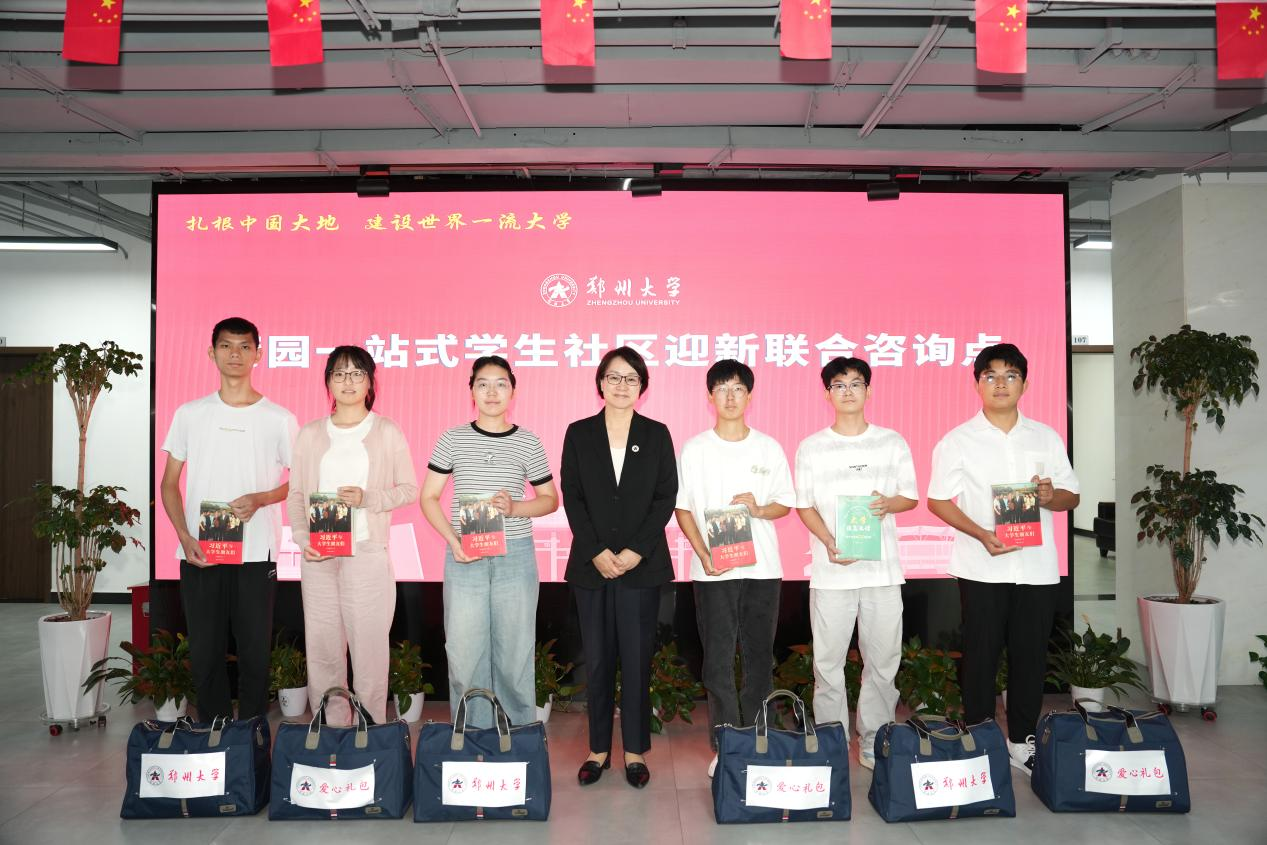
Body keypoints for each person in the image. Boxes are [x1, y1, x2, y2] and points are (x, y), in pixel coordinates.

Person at [926, 343, 1079, 776]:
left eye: (1010, 376)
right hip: (982, 566)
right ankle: (979, 738)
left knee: (1030, 658)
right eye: (990, 376)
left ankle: (1022, 740)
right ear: (977, 384)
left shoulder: (1046, 437)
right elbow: (938, 500)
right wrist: (981, 533)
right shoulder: (958, 440)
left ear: (1025, 385)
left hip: (1036, 567)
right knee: (981, 657)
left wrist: (1050, 496)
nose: (1000, 384)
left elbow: (1071, 495)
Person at [159, 316, 299, 721]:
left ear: (258, 354)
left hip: (256, 554)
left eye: (244, 346)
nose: (235, 354)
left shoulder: (279, 418)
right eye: (226, 346)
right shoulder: (190, 414)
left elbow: (301, 483)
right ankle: (213, 733)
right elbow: (169, 484)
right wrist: (184, 536)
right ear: (211, 352)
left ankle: (252, 736)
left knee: (255, 654)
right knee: (204, 653)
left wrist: (261, 499)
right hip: (201, 552)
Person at [419, 356, 558, 729]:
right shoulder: (452, 438)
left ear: (513, 390)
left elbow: (550, 499)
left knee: (515, 655)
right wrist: (453, 540)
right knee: (464, 654)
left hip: (516, 557)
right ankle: (473, 735)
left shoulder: (528, 441)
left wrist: (515, 508)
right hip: (465, 556)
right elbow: (428, 497)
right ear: (471, 391)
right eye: (483, 384)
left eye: (500, 384)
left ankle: (517, 739)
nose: (492, 392)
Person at [794, 356, 918, 770]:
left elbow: (909, 496)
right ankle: (832, 740)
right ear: (827, 393)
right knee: (827, 663)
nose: (847, 391)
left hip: (882, 572)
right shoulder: (812, 446)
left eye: (855, 383)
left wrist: (887, 504)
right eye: (839, 385)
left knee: (883, 661)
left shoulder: (891, 442)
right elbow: (804, 505)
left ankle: (875, 738)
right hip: (831, 572)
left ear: (869, 390)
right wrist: (829, 541)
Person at [561, 346, 677, 789]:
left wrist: (636, 551)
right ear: (600, 383)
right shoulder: (579, 433)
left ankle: (634, 751)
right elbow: (573, 495)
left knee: (636, 660)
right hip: (591, 567)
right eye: (614, 377)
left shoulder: (656, 434)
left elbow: (665, 497)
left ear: (642, 386)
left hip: (640, 567)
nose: (622, 385)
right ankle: (597, 750)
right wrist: (595, 551)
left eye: (631, 378)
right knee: (597, 661)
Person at [674, 359, 794, 779]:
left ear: (749, 395)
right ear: (710, 396)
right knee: (718, 661)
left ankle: (759, 738)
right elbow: (682, 507)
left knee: (759, 658)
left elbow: (785, 502)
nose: (730, 396)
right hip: (713, 571)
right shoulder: (695, 448)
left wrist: (759, 509)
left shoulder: (768, 447)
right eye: (722, 389)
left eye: (738, 388)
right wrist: (703, 553)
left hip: (763, 569)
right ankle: (726, 743)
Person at [286, 345, 418, 725]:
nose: (348, 381)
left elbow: (409, 489)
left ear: (370, 382)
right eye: (339, 374)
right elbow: (296, 495)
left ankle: (370, 732)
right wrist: (303, 539)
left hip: (366, 552)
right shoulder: (310, 434)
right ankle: (330, 728)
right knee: (323, 650)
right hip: (320, 556)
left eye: (357, 373)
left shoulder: (386, 430)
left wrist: (368, 498)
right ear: (328, 382)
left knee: (369, 651)